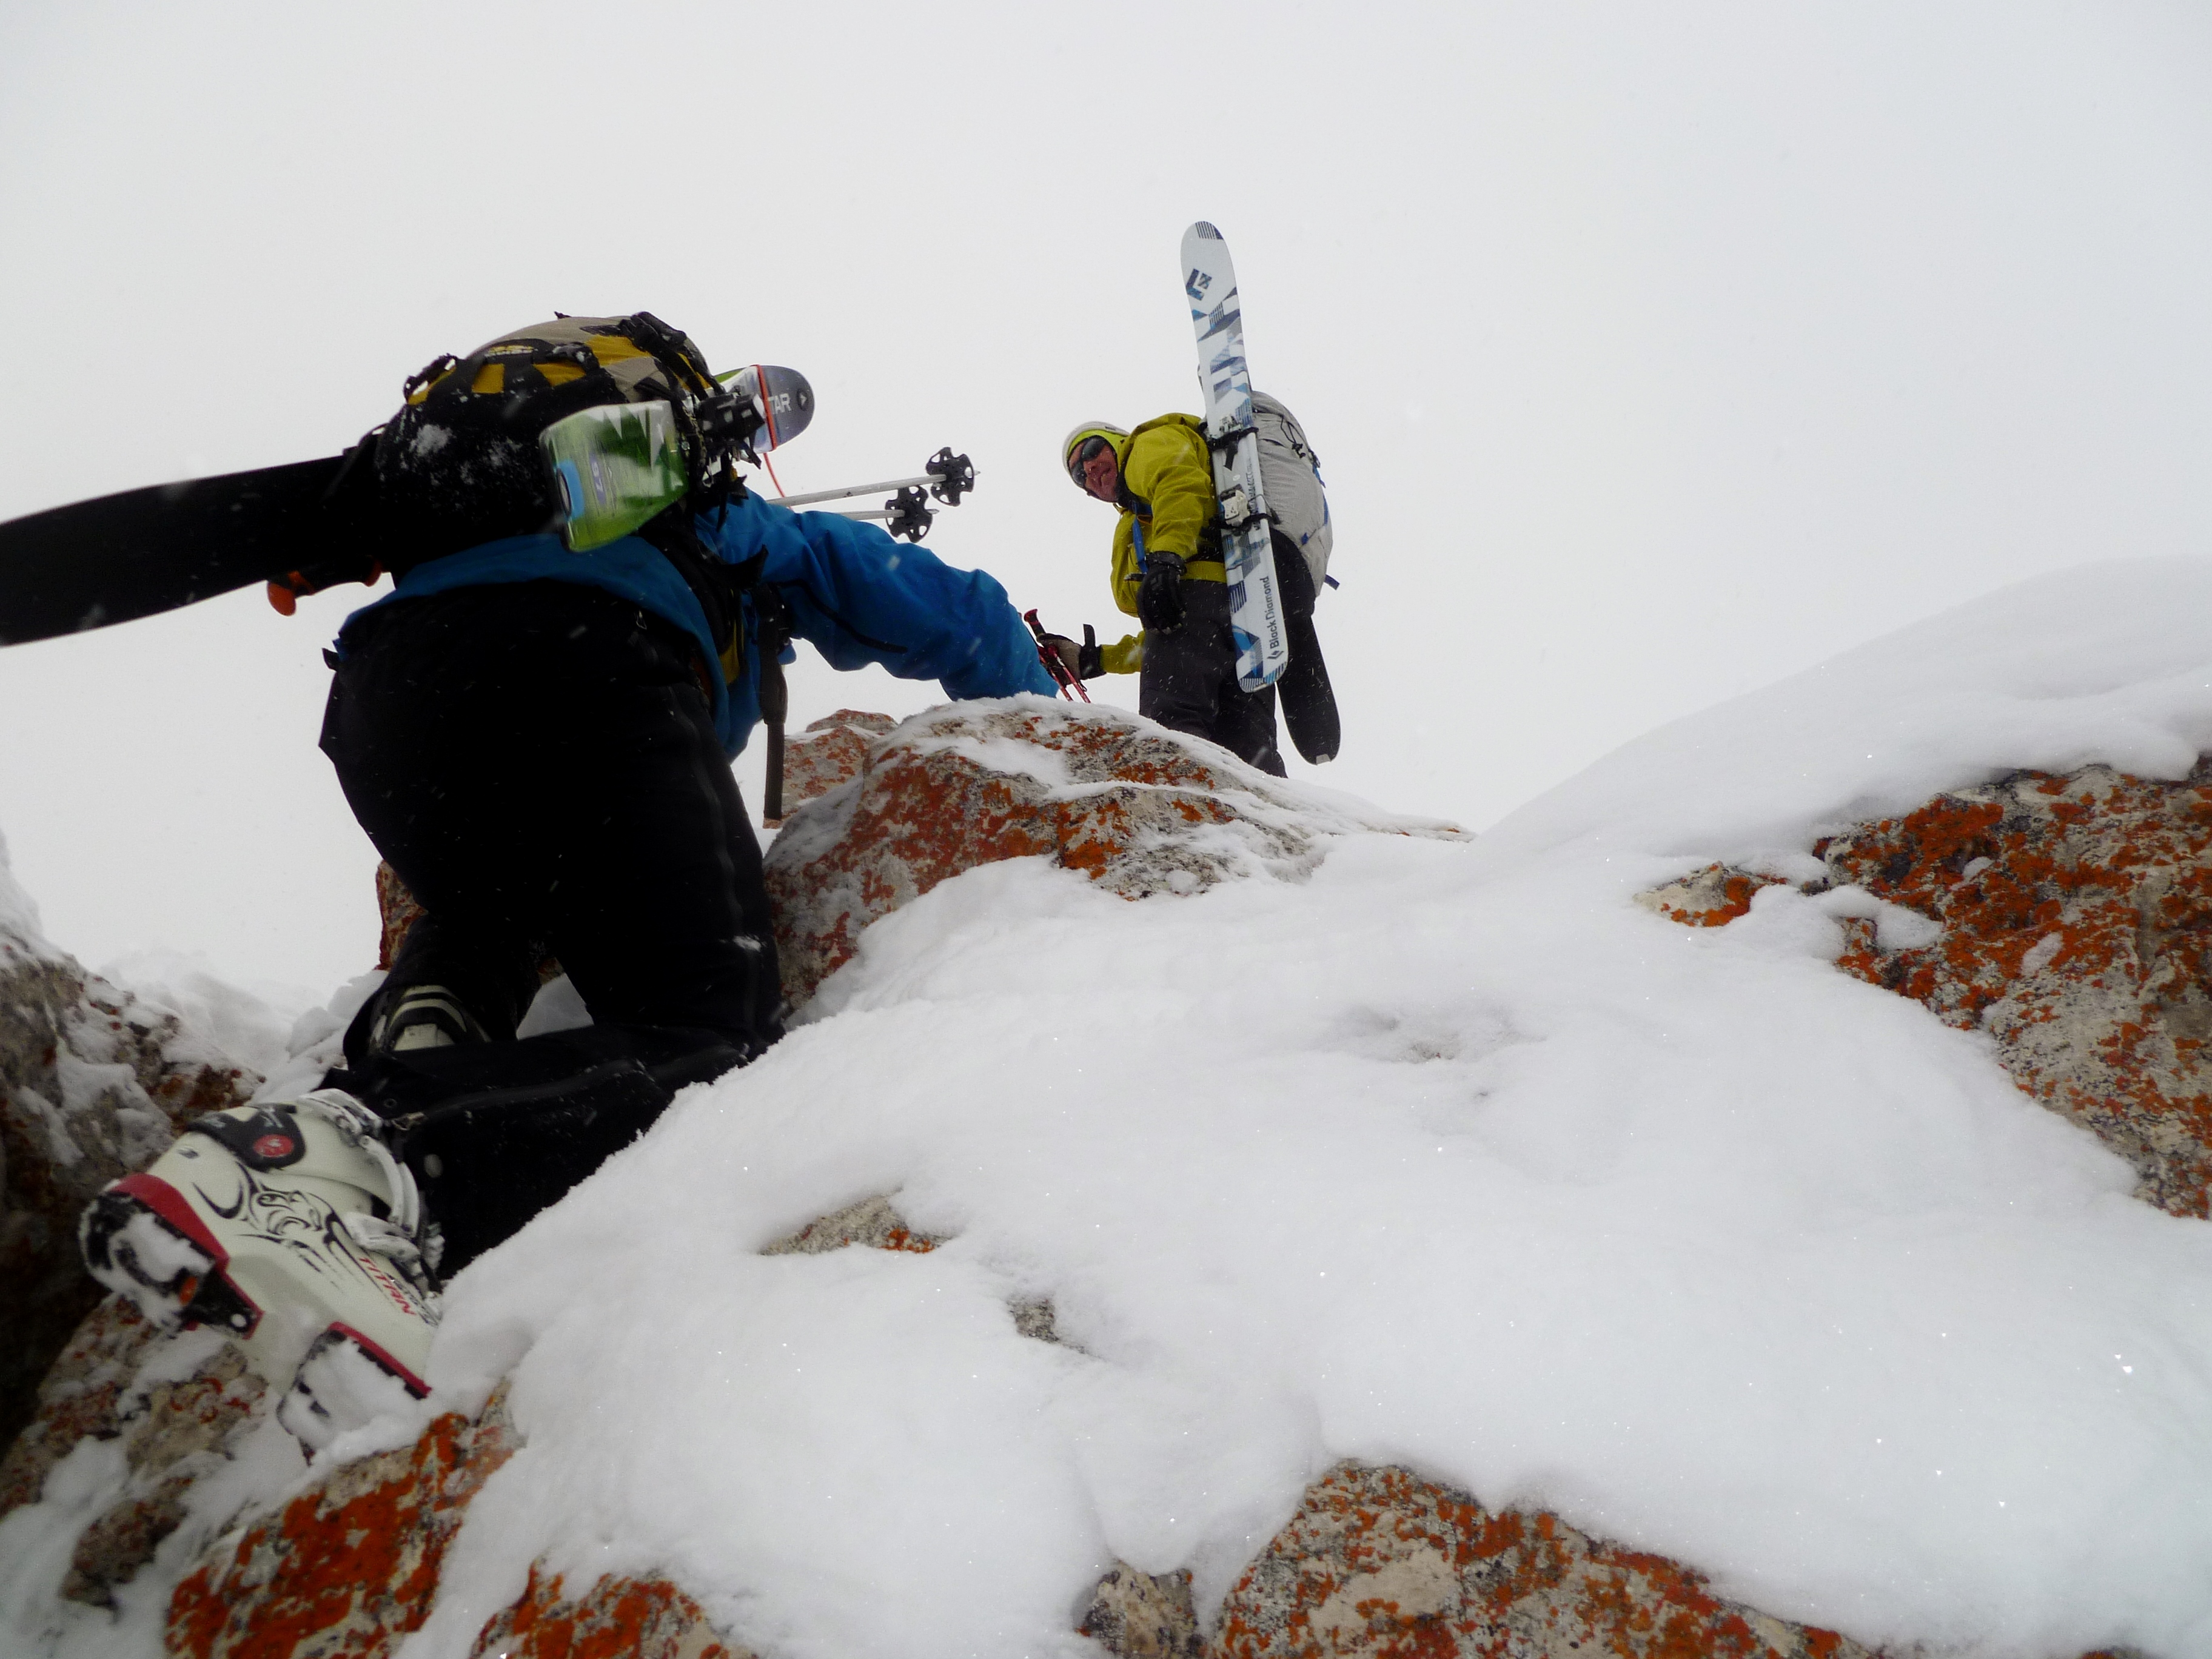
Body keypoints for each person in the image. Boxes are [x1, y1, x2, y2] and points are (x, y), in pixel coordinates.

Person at [79, 314, 1056, 1447]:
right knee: (707, 1030)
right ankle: (353, 1159)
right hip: (585, 665)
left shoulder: (479, 515)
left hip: (389, 714)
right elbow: (955, 612)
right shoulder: (724, 524)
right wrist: (1055, 742)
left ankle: (417, 1087)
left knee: (494, 909)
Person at [1056, 417, 1326, 777]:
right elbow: (1169, 633)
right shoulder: (1145, 518)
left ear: (1117, 443)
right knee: (1249, 754)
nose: (1088, 467)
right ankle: (1259, 826)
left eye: (1092, 450)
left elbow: (1179, 482)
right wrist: (1100, 659)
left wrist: (1166, 558)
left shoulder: (1146, 446)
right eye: (1078, 474)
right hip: (1244, 612)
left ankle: (1188, 823)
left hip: (1199, 603)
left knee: (1172, 733)